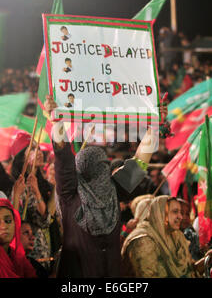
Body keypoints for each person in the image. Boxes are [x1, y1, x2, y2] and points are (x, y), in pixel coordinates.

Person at [44, 95, 161, 277]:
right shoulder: (70, 192)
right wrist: (56, 120)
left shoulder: (112, 189)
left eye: (104, 165)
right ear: (83, 171)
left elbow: (139, 163)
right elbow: (63, 154)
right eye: (99, 166)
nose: (103, 171)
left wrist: (154, 129)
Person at [121, 196, 199, 278]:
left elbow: (190, 268)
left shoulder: (176, 235)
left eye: (180, 212)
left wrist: (208, 260)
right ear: (161, 213)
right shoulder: (142, 240)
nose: (180, 217)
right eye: (175, 212)